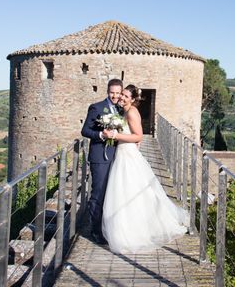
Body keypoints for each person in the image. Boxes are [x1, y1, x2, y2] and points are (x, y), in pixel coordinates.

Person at [101, 84, 189, 253]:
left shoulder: (132, 112)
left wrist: (115, 135)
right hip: (122, 153)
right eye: (122, 95)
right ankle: (123, 229)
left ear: (133, 99)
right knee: (122, 191)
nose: (122, 98)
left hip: (127, 155)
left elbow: (138, 136)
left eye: (126, 96)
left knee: (129, 190)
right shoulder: (122, 111)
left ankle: (133, 231)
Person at [81, 78, 123, 244]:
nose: (114, 96)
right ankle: (95, 231)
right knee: (98, 193)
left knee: (112, 193)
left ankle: (108, 228)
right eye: (112, 92)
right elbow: (85, 130)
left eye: (117, 93)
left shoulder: (121, 110)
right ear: (107, 91)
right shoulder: (97, 107)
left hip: (116, 156)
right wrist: (100, 135)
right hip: (100, 157)